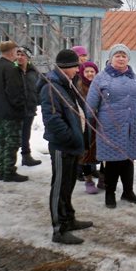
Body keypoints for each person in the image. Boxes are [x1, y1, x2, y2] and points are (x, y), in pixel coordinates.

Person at [86, 44, 136, 209]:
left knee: (128, 160)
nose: (121, 58)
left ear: (128, 59)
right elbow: (91, 103)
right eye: (117, 55)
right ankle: (110, 194)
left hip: (134, 124)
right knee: (113, 161)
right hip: (110, 126)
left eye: (124, 55)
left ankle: (128, 191)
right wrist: (90, 120)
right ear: (110, 58)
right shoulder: (101, 78)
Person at [38, 49, 93, 245]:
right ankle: (58, 229)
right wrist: (70, 138)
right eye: (75, 66)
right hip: (63, 146)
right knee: (59, 186)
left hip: (73, 145)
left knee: (68, 185)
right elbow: (52, 119)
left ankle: (69, 219)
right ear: (65, 68)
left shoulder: (67, 84)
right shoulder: (51, 88)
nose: (78, 69)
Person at [0, 40, 28, 182]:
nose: (17, 53)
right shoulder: (11, 68)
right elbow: (14, 92)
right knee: (12, 142)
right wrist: (21, 107)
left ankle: (1, 170)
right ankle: (9, 171)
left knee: (1, 140)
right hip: (11, 113)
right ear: (11, 51)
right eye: (16, 50)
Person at [76, 61, 100, 194]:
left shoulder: (99, 86)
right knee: (86, 152)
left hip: (99, 124)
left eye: (92, 71)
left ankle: (101, 177)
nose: (90, 74)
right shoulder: (78, 88)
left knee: (99, 151)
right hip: (85, 125)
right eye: (87, 71)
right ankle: (88, 180)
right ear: (82, 73)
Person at [16, 48, 42, 167]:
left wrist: (37, 101)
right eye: (18, 54)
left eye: (23, 55)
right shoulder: (13, 70)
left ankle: (26, 157)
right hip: (16, 108)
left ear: (28, 58)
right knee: (14, 135)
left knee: (26, 134)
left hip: (30, 108)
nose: (20, 57)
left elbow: (37, 88)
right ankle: (7, 161)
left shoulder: (33, 71)